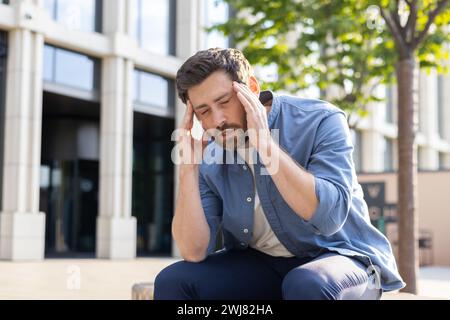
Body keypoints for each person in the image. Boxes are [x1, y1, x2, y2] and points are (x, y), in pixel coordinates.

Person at [154, 48, 405, 300]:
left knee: (306, 284)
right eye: (204, 111)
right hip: (263, 266)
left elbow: (329, 218)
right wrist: (188, 170)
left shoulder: (320, 120)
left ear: (251, 87)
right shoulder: (209, 154)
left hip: (341, 257)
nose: (218, 119)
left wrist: (265, 144)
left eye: (223, 102)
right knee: (173, 281)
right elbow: (193, 250)